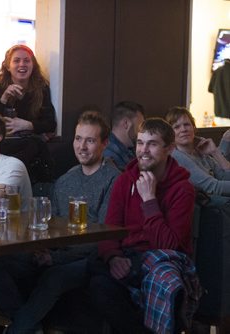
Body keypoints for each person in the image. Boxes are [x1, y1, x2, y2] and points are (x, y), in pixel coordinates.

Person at [0, 111, 119, 334]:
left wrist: (55, 257)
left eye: (90, 140)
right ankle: (28, 325)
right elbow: (50, 224)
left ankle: (18, 329)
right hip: (55, 252)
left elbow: (102, 238)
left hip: (89, 259)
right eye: (78, 138)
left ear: (104, 144)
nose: (82, 146)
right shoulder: (67, 179)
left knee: (54, 276)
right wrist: (39, 248)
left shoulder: (113, 180)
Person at [88, 118, 200, 334]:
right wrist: (113, 257)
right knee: (97, 282)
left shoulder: (183, 189)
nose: (144, 150)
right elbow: (109, 229)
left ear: (170, 149)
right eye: (140, 143)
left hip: (164, 260)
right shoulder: (124, 180)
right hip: (128, 258)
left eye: (152, 144)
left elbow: (170, 246)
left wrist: (149, 200)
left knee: (167, 281)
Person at [0, 45, 57, 183]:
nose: (22, 64)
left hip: (29, 151)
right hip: (1, 148)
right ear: (8, 66)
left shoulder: (41, 88)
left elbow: (50, 123)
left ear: (33, 65)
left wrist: (28, 125)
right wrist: (3, 99)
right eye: (16, 61)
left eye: (26, 60)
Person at [165, 106, 230, 196]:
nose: (183, 129)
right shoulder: (176, 156)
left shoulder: (199, 149)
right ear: (170, 134)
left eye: (187, 124)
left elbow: (223, 176)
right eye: (177, 127)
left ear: (193, 128)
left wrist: (215, 152)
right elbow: (213, 187)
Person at [104, 101, 145, 171]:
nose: (142, 132)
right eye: (140, 126)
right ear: (126, 124)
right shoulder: (109, 156)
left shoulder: (130, 150)